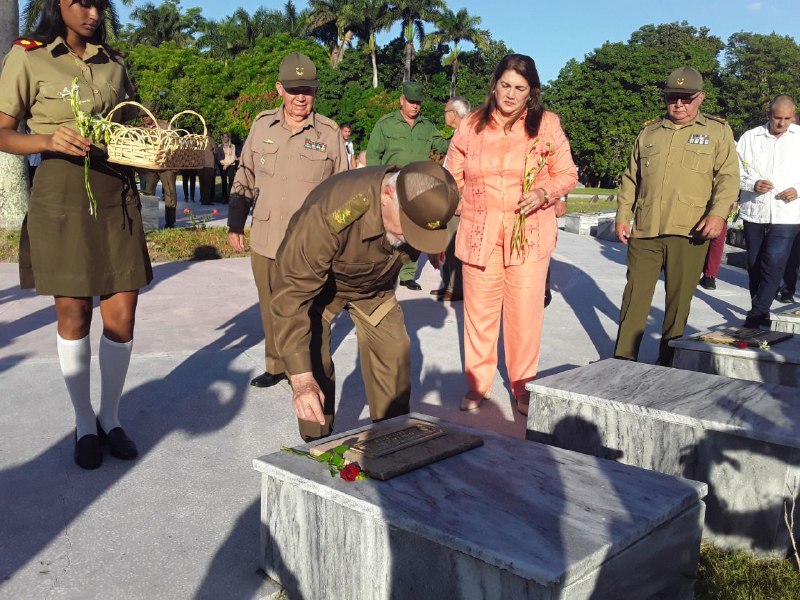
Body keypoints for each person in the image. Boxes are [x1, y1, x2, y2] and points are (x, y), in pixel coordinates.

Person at [0, 0, 153, 469]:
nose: (92, 12)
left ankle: (111, 417)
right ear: (57, 5)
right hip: (61, 194)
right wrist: (46, 139)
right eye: (80, 3)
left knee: (122, 317)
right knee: (73, 317)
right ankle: (84, 422)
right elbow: (3, 131)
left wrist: (151, 133)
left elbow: (126, 126)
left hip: (115, 192)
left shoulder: (114, 62)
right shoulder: (28, 56)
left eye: (98, 4)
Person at [271, 162, 459, 440]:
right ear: (386, 195)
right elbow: (291, 297)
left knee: (394, 350)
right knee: (311, 364)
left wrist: (431, 243)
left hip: (373, 288)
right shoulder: (330, 214)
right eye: (409, 227)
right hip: (320, 289)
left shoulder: (424, 198)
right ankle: (316, 442)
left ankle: (391, 436)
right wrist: (301, 380)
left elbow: (435, 222)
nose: (410, 237)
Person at [445, 54, 578, 415]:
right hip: (480, 234)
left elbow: (567, 172)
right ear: (494, 85)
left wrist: (544, 193)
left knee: (524, 316)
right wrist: (462, 206)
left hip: (529, 234)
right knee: (479, 316)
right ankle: (478, 385)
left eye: (520, 88)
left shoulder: (546, 124)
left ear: (531, 92)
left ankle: (522, 388)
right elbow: (451, 174)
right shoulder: (471, 125)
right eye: (505, 85)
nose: (510, 94)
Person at [227, 53, 347, 389]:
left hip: (308, 243)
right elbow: (246, 173)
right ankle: (276, 363)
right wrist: (236, 220)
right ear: (280, 89)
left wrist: (339, 236)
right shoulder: (262, 125)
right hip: (266, 235)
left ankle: (304, 369)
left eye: (307, 89)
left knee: (307, 309)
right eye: (293, 89)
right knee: (270, 306)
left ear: (315, 91)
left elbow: (343, 187)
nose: (300, 97)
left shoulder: (328, 132)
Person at [614, 66, 739, 364]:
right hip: (646, 229)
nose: (679, 105)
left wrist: (718, 214)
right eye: (672, 97)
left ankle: (667, 364)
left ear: (701, 98)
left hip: (690, 230)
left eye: (686, 98)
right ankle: (621, 360)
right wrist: (622, 214)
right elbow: (631, 178)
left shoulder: (717, 132)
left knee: (678, 303)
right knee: (634, 298)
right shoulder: (650, 132)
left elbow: (728, 178)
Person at [366, 80, 449, 291]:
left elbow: (444, 145)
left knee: (415, 230)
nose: (415, 106)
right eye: (411, 101)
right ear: (402, 100)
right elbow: (374, 154)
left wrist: (463, 129)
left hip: (416, 186)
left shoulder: (428, 127)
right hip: (391, 185)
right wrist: (376, 183)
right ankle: (382, 270)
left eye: (418, 102)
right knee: (385, 230)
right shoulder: (385, 124)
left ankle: (407, 273)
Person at [737, 95, 800, 328]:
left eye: (787, 118)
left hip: (788, 214)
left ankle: (757, 312)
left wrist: (797, 190)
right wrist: (751, 185)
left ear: (793, 116)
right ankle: (760, 307)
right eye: (777, 118)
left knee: (774, 261)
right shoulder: (750, 137)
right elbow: (733, 172)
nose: (782, 123)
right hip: (755, 211)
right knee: (754, 263)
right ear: (768, 115)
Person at [431, 96, 470, 302]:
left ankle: (457, 288)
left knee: (455, 244)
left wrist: (461, 197)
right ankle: (448, 284)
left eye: (446, 111)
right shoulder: (457, 134)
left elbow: (468, 171)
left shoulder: (469, 134)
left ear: (454, 113)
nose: (444, 115)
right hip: (450, 195)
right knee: (447, 242)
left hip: (460, 198)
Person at [216, 132, 238, 203]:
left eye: (226, 137)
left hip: (231, 165)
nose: (225, 138)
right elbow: (219, 157)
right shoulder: (220, 146)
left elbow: (233, 157)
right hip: (223, 165)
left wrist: (227, 164)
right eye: (224, 137)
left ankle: (230, 196)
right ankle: (224, 197)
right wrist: (223, 163)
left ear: (229, 138)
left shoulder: (232, 146)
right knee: (224, 181)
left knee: (231, 181)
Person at [198, 130, 217, 205]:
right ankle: (206, 200)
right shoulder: (210, 139)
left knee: (202, 183)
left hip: (200, 164)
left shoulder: (199, 139)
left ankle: (202, 198)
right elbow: (215, 151)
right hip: (209, 164)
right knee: (208, 183)